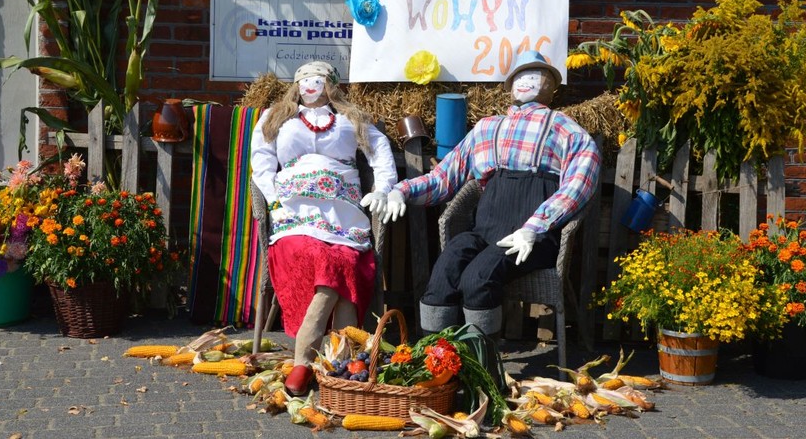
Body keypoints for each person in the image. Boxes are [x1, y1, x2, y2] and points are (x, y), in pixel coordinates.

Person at [370, 50, 601, 338]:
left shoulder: (568, 131)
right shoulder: (488, 128)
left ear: (549, 87)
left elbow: (577, 187)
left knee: (478, 278)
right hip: (485, 229)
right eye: (520, 75)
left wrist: (534, 227)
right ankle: (433, 357)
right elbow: (445, 176)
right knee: (445, 270)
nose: (525, 81)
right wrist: (401, 191)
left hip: (531, 237)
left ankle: (481, 363)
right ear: (510, 84)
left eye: (534, 76)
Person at [250, 61, 397, 395]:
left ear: (331, 86)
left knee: (344, 258)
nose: (310, 86)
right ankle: (339, 366)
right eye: (304, 81)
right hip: (294, 217)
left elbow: (381, 153)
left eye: (318, 80)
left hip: (345, 218)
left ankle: (306, 366)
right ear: (295, 86)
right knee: (329, 262)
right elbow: (261, 161)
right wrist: (274, 199)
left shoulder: (351, 118)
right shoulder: (276, 116)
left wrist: (383, 189)